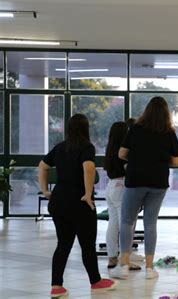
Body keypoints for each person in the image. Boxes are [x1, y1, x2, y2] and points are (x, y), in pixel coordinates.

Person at [38, 114, 117, 298]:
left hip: (58, 201)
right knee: (87, 244)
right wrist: (88, 195)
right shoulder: (86, 147)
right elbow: (88, 168)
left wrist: (45, 191)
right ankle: (96, 281)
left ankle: (56, 286)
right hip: (79, 202)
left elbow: (42, 165)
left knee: (63, 244)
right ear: (86, 128)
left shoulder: (60, 147)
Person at [110, 97, 178, 280]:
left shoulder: (135, 129)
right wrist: (159, 160)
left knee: (127, 221)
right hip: (158, 183)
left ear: (147, 110)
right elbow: (177, 161)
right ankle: (150, 268)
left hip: (135, 180)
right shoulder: (169, 132)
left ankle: (124, 265)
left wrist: (137, 159)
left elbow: (121, 153)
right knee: (150, 223)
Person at [103, 122, 141, 270]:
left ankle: (112, 257)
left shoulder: (110, 149)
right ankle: (125, 259)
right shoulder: (123, 151)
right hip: (121, 187)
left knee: (113, 223)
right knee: (126, 224)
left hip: (111, 186)